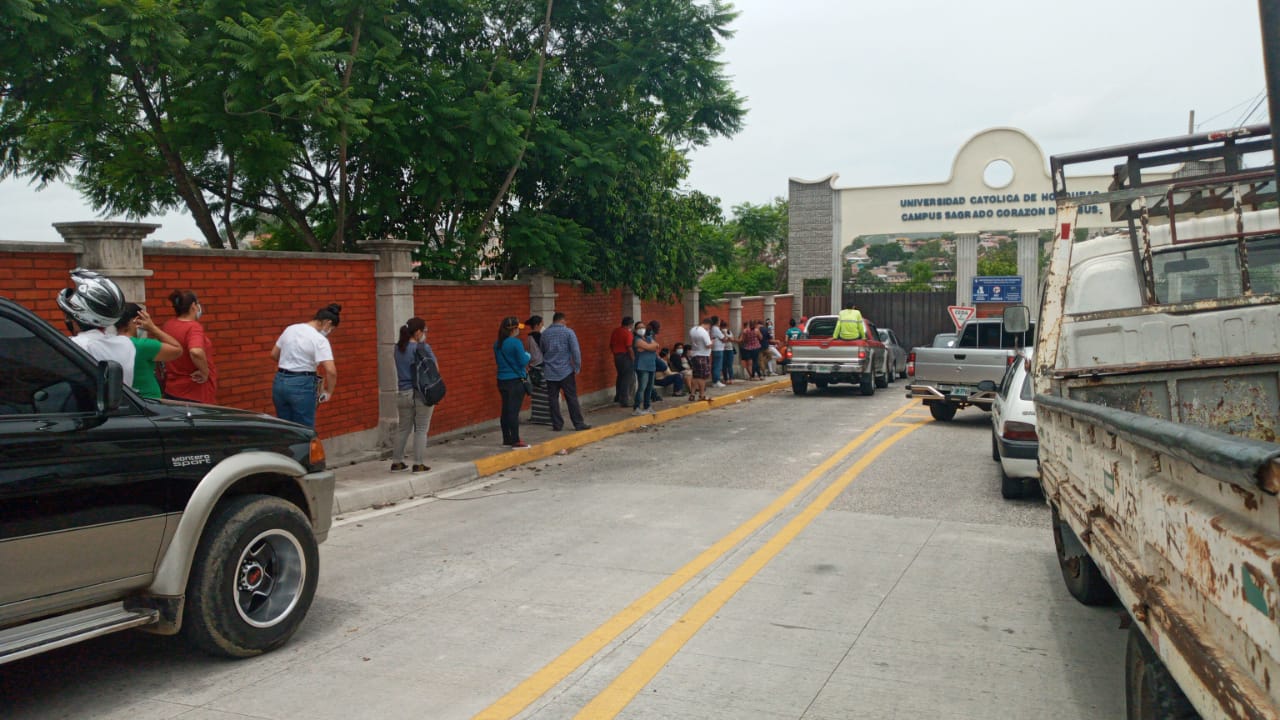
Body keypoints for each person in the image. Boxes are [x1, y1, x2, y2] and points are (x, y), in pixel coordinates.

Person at [57, 268, 135, 384]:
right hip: (123, 402)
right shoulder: (126, 344)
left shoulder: (77, 345)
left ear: (76, 318)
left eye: (67, 315)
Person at [270, 303, 341, 428]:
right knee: (304, 430)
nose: (329, 332)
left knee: (284, 427)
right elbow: (331, 371)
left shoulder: (290, 329)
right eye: (331, 329)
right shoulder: (319, 339)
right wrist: (328, 392)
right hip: (302, 385)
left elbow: (274, 354)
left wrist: (290, 365)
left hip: (279, 382)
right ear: (328, 323)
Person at [391, 317, 436, 472]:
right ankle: (418, 463)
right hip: (421, 394)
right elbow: (434, 368)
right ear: (417, 332)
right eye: (424, 331)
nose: (425, 334)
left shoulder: (398, 348)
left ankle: (397, 461)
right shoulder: (422, 348)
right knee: (421, 428)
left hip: (403, 393)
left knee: (403, 428)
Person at [114, 303, 182, 399]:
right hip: (148, 400)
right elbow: (177, 349)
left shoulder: (110, 344)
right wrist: (152, 328)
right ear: (137, 320)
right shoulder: (142, 345)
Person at [161, 289, 217, 404]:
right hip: (194, 392)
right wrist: (205, 372)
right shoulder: (193, 327)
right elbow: (195, 351)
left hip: (172, 390)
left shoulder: (168, 325)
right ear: (193, 306)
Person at [540, 312, 591, 431]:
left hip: (550, 371)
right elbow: (575, 351)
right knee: (571, 398)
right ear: (562, 321)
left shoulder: (545, 334)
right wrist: (577, 367)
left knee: (552, 399)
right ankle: (578, 423)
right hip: (566, 371)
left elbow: (542, 350)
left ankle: (557, 424)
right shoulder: (569, 332)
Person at [494, 316, 532, 447]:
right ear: (513, 329)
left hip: (502, 380)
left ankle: (507, 438)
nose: (518, 331)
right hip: (515, 380)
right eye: (517, 328)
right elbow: (522, 361)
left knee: (505, 410)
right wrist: (528, 355)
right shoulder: (515, 343)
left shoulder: (497, 344)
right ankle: (516, 439)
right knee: (513, 411)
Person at [524, 315, 553, 426]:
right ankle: (546, 417)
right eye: (541, 323)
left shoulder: (529, 338)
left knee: (536, 395)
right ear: (537, 325)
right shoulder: (539, 337)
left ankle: (537, 416)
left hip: (533, 368)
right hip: (541, 368)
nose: (542, 325)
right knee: (546, 394)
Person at [632, 319, 660, 415]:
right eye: (639, 328)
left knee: (649, 387)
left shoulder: (648, 338)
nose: (642, 329)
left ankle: (647, 406)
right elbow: (650, 347)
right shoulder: (636, 339)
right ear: (635, 330)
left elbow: (656, 346)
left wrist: (648, 347)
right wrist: (649, 347)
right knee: (642, 387)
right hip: (641, 366)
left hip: (651, 365)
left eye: (643, 327)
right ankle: (636, 407)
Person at [610, 316, 634, 407]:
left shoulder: (615, 331)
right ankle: (624, 400)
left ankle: (618, 397)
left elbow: (611, 345)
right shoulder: (627, 333)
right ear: (630, 324)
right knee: (626, 379)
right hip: (625, 356)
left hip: (617, 357)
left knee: (620, 376)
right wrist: (633, 358)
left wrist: (615, 353)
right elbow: (629, 347)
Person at [687, 317, 713, 401]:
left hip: (694, 354)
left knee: (695, 376)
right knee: (702, 377)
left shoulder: (693, 329)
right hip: (703, 355)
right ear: (708, 324)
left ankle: (692, 394)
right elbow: (708, 345)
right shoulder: (704, 332)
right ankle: (702, 395)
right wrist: (712, 342)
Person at [709, 314, 725, 388]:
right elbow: (723, 338)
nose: (720, 321)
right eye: (719, 320)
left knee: (715, 365)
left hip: (716, 348)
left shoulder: (712, 328)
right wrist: (724, 335)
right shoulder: (716, 328)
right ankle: (716, 381)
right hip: (718, 349)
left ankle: (715, 380)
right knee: (717, 365)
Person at [719, 319, 737, 385]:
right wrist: (725, 336)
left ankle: (731, 378)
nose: (724, 328)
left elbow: (732, 339)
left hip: (730, 349)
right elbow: (724, 340)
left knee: (729, 365)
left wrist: (726, 335)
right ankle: (726, 378)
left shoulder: (729, 331)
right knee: (724, 365)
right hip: (723, 349)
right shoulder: (720, 332)